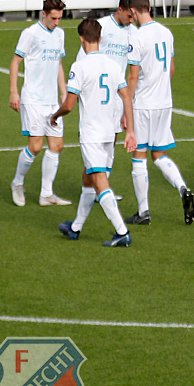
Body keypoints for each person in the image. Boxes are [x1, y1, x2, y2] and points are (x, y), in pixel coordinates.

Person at [53, 17, 137, 248]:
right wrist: (130, 130)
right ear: (100, 38)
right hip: (109, 132)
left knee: (100, 182)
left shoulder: (79, 66)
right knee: (88, 177)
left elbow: (69, 105)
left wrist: (55, 115)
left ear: (81, 40)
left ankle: (122, 232)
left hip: (91, 134)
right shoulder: (113, 66)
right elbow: (126, 97)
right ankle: (75, 228)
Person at [124, 0, 194, 225]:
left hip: (143, 104)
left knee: (139, 156)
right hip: (164, 102)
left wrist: (127, 108)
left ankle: (143, 212)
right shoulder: (166, 32)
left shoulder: (136, 37)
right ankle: (182, 187)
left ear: (133, 11)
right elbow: (171, 69)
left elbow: (133, 77)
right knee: (159, 154)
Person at [9, 0, 70, 208]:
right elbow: (16, 62)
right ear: (43, 14)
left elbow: (59, 64)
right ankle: (17, 183)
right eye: (53, 18)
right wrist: (13, 92)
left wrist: (64, 92)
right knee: (35, 147)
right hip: (33, 100)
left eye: (60, 18)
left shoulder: (60, 34)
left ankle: (46, 194)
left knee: (57, 145)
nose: (57, 22)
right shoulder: (30, 33)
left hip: (52, 102)